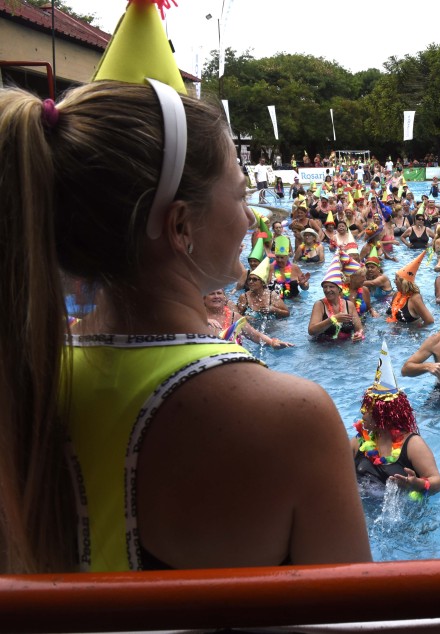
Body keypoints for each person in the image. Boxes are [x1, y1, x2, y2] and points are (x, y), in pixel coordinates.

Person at [0, 1, 370, 574]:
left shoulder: (22, 389)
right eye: (242, 196)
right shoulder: (293, 418)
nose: (253, 221)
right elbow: (355, 617)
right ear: (180, 226)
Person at [351, 343, 440, 499]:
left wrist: (417, 484)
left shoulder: (413, 445)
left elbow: (437, 482)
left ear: (382, 415)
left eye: (367, 409)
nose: (362, 412)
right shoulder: (358, 442)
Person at [204, 289, 291, 349]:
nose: (216, 296)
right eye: (211, 293)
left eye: (219, 293)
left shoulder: (235, 316)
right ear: (203, 298)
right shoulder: (197, 317)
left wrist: (272, 342)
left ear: (224, 297)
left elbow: (254, 335)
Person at [307, 256, 364, 342]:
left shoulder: (349, 305)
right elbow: (311, 331)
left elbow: (359, 328)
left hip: (345, 345)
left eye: (331, 287)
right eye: (325, 287)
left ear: (339, 289)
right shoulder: (319, 305)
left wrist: (359, 334)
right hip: (324, 346)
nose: (327, 290)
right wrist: (332, 320)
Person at [386, 251, 435, 326]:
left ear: (403, 282)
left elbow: (430, 321)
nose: (394, 282)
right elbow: (389, 313)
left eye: (396, 279)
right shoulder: (396, 294)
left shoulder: (415, 298)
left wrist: (417, 329)